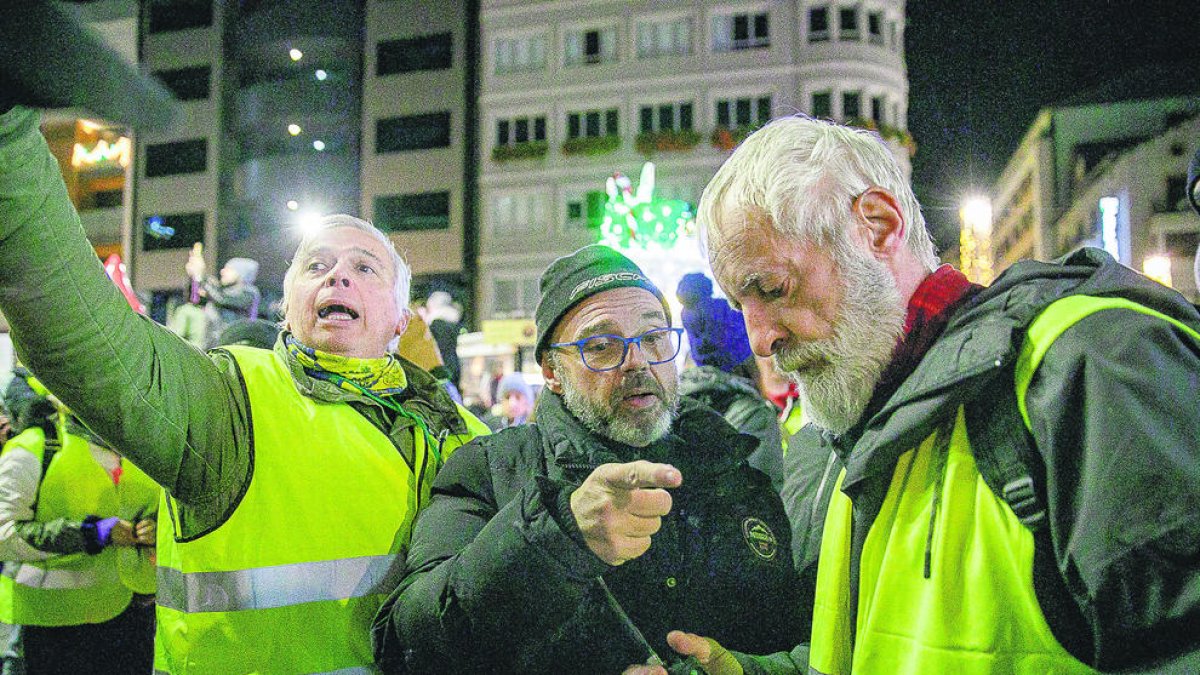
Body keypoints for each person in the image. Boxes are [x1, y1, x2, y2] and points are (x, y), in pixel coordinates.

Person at [630, 115, 1200, 674]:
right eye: (740, 306)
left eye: (774, 288)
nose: (760, 338)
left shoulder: (1087, 362)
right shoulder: (835, 431)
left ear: (877, 226)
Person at [0, 105, 490, 673]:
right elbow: (79, 334)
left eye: (365, 267)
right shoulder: (228, 402)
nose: (338, 275)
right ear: (286, 310)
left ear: (401, 321)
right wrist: (9, 134)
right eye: (316, 265)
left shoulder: (466, 437)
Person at [375, 245, 805, 673]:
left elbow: (800, 640)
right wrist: (557, 535)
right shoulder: (490, 471)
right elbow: (410, 644)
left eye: (654, 338)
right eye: (601, 346)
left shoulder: (731, 468)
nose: (638, 361)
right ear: (551, 372)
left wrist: (744, 668)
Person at [0, 379, 159, 674]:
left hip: (134, 620)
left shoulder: (144, 449)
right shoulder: (34, 447)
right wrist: (90, 533)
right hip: (55, 627)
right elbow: (3, 536)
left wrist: (156, 531)